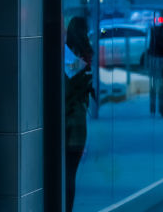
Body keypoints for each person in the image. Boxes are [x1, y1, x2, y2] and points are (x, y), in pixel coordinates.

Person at [64, 17, 94, 212]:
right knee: (71, 174)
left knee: (63, 173)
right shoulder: (86, 55)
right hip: (79, 123)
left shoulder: (64, 55)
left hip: (66, 121)